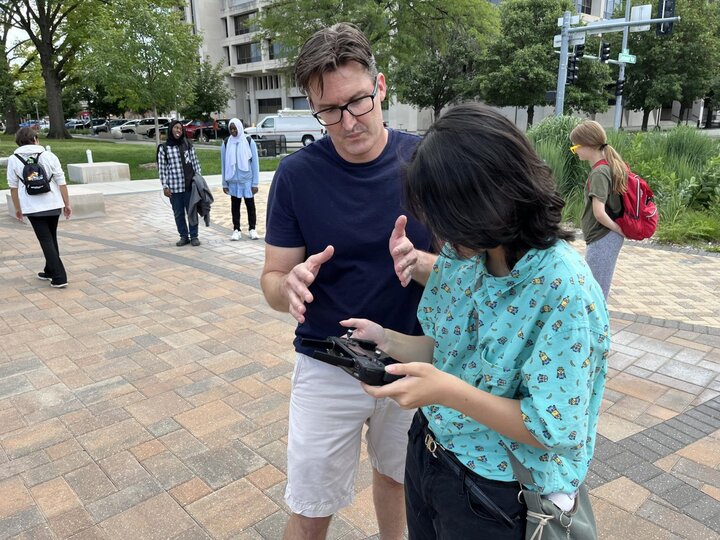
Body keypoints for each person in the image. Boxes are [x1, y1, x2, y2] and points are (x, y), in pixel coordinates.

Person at [342, 104, 609, 539]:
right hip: (429, 453)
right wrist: (385, 339)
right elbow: (448, 351)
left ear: (489, 199)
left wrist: (445, 391)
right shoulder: (467, 255)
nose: (441, 235)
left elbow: (552, 425)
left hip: (496, 492)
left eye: (448, 216)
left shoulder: (561, 288)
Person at [260, 22, 434, 540]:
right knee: (310, 506)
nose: (348, 122)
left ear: (380, 86)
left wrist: (420, 262)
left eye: (358, 102)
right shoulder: (295, 176)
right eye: (329, 111)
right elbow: (272, 279)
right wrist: (287, 285)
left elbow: (472, 273)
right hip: (327, 359)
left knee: (399, 478)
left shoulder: (427, 161)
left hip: (414, 357)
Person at [8, 127, 71, 288]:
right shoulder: (49, 155)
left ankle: (59, 277)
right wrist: (66, 203)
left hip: (32, 206)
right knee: (51, 238)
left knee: (46, 240)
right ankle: (49, 271)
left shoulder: (13, 159)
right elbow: (61, 181)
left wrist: (18, 208)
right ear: (35, 138)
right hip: (54, 203)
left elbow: (13, 187)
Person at [570, 120, 626, 299]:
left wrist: (617, 229)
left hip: (602, 236)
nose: (575, 151)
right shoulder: (606, 167)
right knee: (596, 289)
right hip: (604, 236)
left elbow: (599, 212)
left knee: (595, 293)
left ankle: (597, 327)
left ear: (587, 144)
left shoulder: (599, 173)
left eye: (575, 147)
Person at [158, 119, 203, 246]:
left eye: (180, 128)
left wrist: (198, 180)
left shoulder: (187, 145)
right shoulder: (164, 148)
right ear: (170, 130)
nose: (178, 130)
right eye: (176, 128)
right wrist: (165, 186)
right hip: (174, 189)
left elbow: (195, 164)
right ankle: (184, 236)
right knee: (178, 214)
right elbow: (162, 169)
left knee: (191, 212)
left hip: (189, 187)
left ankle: (194, 236)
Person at [221, 118, 260, 240]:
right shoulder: (226, 143)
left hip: (247, 180)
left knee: (250, 205)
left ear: (240, 128)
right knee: (235, 206)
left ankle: (252, 229)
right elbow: (224, 164)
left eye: (235, 128)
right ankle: (236, 229)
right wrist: (224, 183)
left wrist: (255, 183)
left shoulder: (249, 141)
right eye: (231, 129)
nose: (233, 131)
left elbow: (255, 163)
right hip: (233, 181)